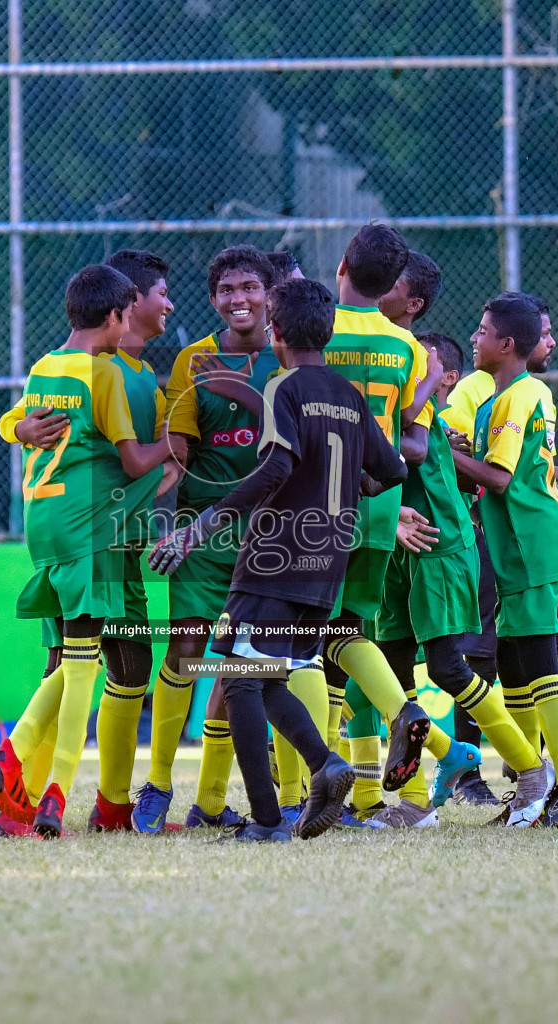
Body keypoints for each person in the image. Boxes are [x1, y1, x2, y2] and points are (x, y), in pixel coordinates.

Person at [150, 277, 407, 841]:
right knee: (265, 678)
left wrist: (203, 524)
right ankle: (326, 764)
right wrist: (344, 485)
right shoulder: (348, 395)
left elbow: (275, 469)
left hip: (276, 556)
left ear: (277, 331)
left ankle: (266, 821)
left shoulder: (284, 390)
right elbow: (394, 471)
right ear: (330, 330)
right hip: (328, 561)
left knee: (240, 680)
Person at [0, 265, 173, 839]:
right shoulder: (106, 373)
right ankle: (36, 786)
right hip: (91, 525)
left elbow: (16, 419)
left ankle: (33, 786)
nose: (165, 305)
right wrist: (178, 442)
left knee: (80, 656)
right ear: (119, 313)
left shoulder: (45, 365)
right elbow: (136, 462)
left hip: (47, 524)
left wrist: (15, 430)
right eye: (160, 295)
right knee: (80, 661)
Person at [132, 245, 282, 834]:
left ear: (269, 295)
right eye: (226, 289)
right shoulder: (193, 361)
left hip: (274, 538)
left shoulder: (291, 358)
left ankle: (213, 802)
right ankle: (159, 786)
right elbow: (178, 452)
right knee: (186, 652)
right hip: (204, 536)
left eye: (249, 287)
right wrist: (152, 516)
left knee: (243, 669)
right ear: (213, 298)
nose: (238, 299)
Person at [371, 331, 548, 828]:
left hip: (437, 545)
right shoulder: (405, 408)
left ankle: (532, 770)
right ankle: (413, 802)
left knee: (449, 667)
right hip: (394, 544)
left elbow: (415, 447)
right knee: (393, 671)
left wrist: (423, 384)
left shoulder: (425, 412)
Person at [441, 294, 558, 810]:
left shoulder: (521, 394)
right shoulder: (496, 398)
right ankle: (530, 789)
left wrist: (446, 453)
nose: (475, 337)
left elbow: (502, 477)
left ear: (507, 344)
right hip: (514, 546)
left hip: (533, 542)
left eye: (484, 330)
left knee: (538, 658)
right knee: (511, 666)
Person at [322, 227, 457, 803]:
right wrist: (429, 382)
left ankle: (307, 786)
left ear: (343, 265)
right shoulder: (404, 347)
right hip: (379, 508)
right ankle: (373, 792)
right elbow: (410, 437)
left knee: (297, 645)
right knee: (348, 633)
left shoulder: (317, 328)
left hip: (316, 503)